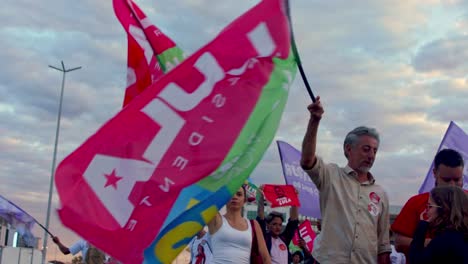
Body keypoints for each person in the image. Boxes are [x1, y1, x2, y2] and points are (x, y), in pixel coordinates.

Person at [300, 96, 391, 264]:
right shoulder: (331, 175)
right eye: (366, 149)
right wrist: (315, 120)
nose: (371, 156)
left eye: (374, 151)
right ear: (348, 149)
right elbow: (307, 160)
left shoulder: (380, 194)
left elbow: (383, 244)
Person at [392, 148, 465, 258]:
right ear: (435, 173)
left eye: (457, 180)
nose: (452, 186)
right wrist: (430, 244)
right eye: (446, 180)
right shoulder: (416, 203)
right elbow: (398, 243)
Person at [208, 185, 271, 264]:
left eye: (239, 194)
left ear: (244, 200)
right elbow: (207, 197)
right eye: (231, 194)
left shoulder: (253, 224)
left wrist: (261, 198)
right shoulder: (216, 220)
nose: (234, 197)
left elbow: (265, 257)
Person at [408, 186, 468, 263]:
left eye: (430, 206)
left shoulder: (444, 240)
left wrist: (421, 228)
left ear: (443, 209)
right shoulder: (461, 236)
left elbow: (416, 260)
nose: (426, 211)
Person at [257, 186, 299, 264]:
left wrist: (295, 198)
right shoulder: (264, 238)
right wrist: (261, 197)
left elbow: (293, 222)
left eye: (280, 225)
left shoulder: (284, 239)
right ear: (268, 225)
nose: (278, 227)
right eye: (274, 224)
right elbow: (260, 217)